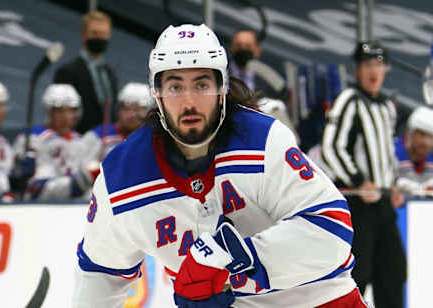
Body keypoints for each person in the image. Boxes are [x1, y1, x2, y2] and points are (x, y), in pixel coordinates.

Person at [73, 24, 368, 308]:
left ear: (222, 88)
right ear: (157, 93)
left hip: (321, 301)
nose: (189, 101)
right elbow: (101, 271)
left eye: (201, 84)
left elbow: (332, 232)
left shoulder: (262, 140)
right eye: (175, 86)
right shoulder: (122, 176)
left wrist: (231, 258)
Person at [321, 41, 406, 308]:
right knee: (359, 274)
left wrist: (392, 184)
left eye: (379, 65)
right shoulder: (350, 100)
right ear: (357, 70)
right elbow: (331, 147)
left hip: (381, 203)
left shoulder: (387, 106)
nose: (374, 71)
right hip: (358, 203)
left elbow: (387, 151)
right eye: (368, 65)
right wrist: (359, 181)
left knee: (393, 271)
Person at [13, 84, 98, 200]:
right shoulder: (33, 138)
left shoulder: (80, 141)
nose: (67, 117)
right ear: (49, 111)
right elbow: (38, 188)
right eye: (60, 111)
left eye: (71, 111)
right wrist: (79, 183)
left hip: (77, 207)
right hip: (43, 208)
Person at [54, 10, 118, 134]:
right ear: (84, 35)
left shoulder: (110, 73)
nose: (99, 38)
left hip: (107, 140)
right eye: (94, 33)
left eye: (103, 34)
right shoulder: (67, 72)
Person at [81, 82, 154, 162]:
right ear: (118, 109)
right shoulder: (96, 136)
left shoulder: (154, 138)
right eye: (127, 108)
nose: (132, 115)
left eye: (138, 110)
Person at [228, 29, 287, 101]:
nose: (243, 49)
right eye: (238, 45)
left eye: (248, 46)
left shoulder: (268, 75)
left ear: (258, 50)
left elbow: (283, 95)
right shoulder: (223, 73)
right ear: (231, 48)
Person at [395, 106, 433, 197]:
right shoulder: (391, 152)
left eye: (431, 137)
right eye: (422, 134)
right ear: (409, 133)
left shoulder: (430, 157)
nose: (426, 142)